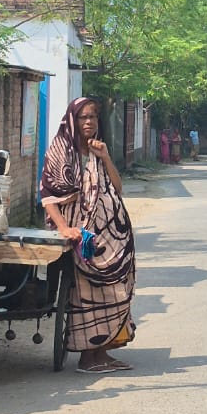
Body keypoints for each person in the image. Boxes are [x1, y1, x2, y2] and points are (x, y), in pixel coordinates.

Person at [41, 98, 137, 374]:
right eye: (83, 117)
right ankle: (87, 357)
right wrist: (64, 228)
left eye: (93, 117)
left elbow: (117, 187)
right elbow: (48, 196)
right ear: (73, 119)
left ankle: (102, 352)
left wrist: (105, 156)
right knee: (90, 293)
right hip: (83, 237)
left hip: (113, 237)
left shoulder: (97, 150)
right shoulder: (60, 150)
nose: (89, 122)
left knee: (116, 291)